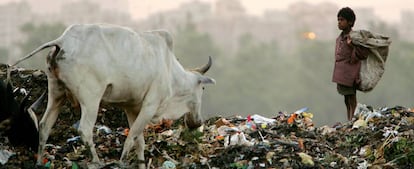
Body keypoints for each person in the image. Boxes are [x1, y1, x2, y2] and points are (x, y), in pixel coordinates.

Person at [332, 7, 370, 121]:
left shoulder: (354, 38)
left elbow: (362, 54)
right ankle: (349, 120)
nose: (339, 22)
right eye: (338, 20)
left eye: (342, 20)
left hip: (350, 74)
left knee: (352, 99)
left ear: (350, 22)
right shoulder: (340, 38)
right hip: (342, 74)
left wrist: (352, 46)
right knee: (346, 99)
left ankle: (353, 121)